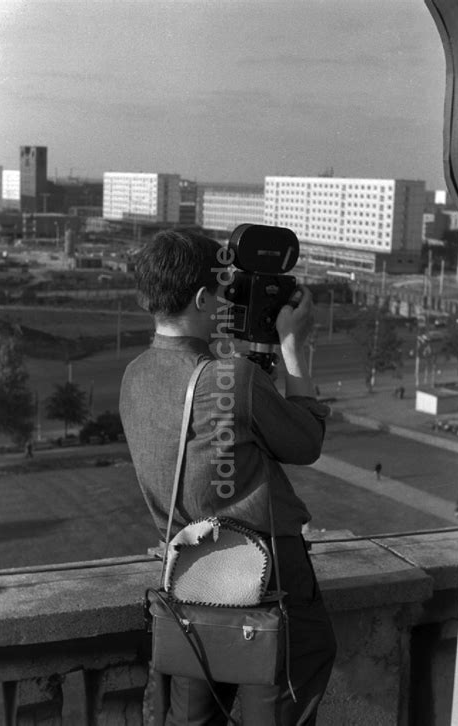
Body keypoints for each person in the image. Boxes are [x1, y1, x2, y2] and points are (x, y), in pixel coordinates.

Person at [119, 229, 336, 726]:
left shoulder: (134, 376)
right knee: (282, 702)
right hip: (268, 577)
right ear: (201, 298)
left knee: (192, 718)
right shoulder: (232, 377)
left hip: (191, 576)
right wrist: (294, 347)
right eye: (221, 291)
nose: (225, 300)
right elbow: (306, 444)